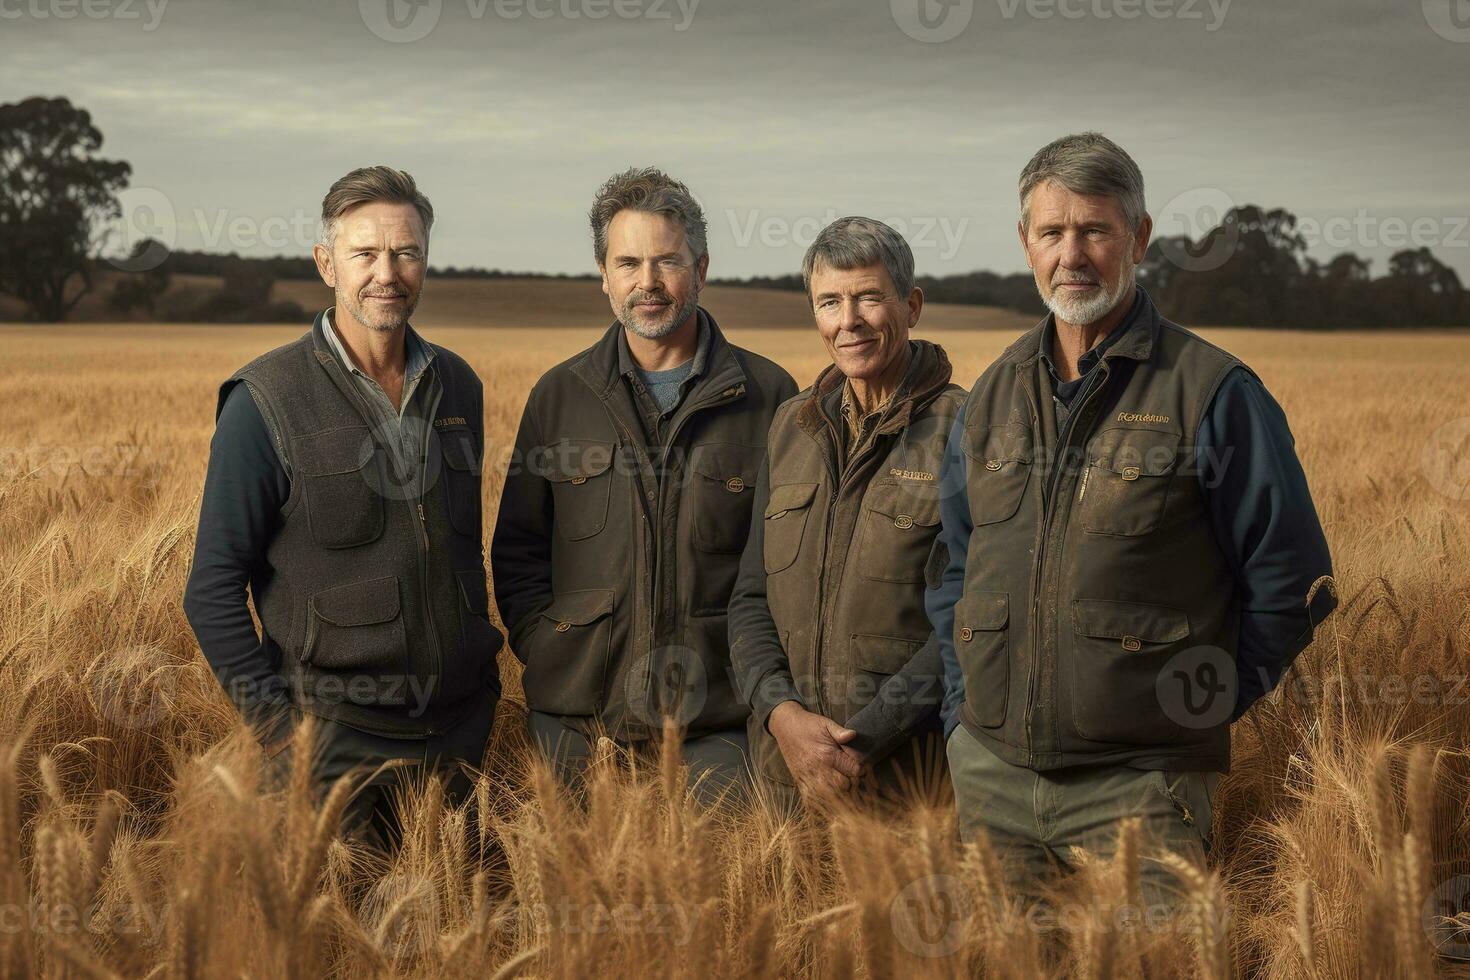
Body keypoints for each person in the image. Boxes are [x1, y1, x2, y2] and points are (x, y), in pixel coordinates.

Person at [928, 133, 1338, 904]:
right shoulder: (991, 398)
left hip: (1144, 791)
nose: (1072, 253)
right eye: (1052, 232)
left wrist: (1188, 717)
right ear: (1026, 244)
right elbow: (954, 570)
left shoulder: (1212, 391)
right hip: (991, 779)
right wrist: (962, 713)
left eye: (1096, 229)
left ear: (1139, 238)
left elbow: (1294, 583)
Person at [183, 166, 502, 847]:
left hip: (458, 737)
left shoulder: (457, 386)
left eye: (406, 252)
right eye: (365, 253)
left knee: (457, 941)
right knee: (334, 948)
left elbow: (456, 547)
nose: (387, 272)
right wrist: (280, 740)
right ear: (327, 264)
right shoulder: (265, 400)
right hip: (332, 747)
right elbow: (211, 589)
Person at [491, 167, 797, 801]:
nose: (648, 283)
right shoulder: (559, 396)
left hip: (723, 727)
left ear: (702, 267)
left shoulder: (770, 398)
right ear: (604, 275)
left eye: (667, 261)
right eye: (627, 263)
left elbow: (787, 565)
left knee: (729, 896)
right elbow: (519, 551)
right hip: (576, 722)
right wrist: (548, 652)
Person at [729, 217, 962, 810]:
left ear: (911, 305)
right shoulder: (791, 427)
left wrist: (860, 740)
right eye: (830, 301)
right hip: (786, 780)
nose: (848, 320)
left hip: (910, 785)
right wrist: (782, 718)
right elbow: (750, 599)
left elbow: (975, 616)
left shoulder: (969, 430)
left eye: (868, 297)